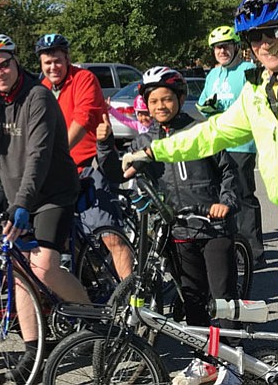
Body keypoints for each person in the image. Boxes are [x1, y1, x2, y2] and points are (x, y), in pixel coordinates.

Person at [122, 0, 278, 366]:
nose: (266, 44)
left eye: (276, 32)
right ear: (247, 45)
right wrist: (154, 150)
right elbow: (210, 134)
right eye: (256, 37)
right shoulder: (256, 93)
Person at [0, 33, 89, 383]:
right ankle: (33, 352)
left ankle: (92, 320)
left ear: (15, 61)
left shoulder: (37, 96)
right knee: (20, 273)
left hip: (53, 193)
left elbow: (38, 156)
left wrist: (22, 203)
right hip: (20, 196)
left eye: (4, 65)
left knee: (42, 269)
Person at [99, 66, 241, 384]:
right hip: (177, 230)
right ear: (147, 105)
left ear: (179, 98)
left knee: (221, 298)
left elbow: (230, 172)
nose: (160, 106)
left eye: (167, 99)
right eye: (154, 101)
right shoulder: (146, 141)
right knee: (192, 298)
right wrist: (105, 144)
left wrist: (226, 202)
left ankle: (230, 364)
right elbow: (117, 174)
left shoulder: (201, 130)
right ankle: (205, 360)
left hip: (213, 226)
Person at [35, 33, 133, 280]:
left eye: (57, 61)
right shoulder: (43, 88)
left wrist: (55, 155)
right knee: (66, 240)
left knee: (109, 236)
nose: (53, 67)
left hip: (90, 166)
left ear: (67, 59)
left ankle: (134, 302)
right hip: (62, 173)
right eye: (47, 62)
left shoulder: (83, 79)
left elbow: (82, 119)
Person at [197, 26, 264, 268]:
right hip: (217, 141)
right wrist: (208, 107)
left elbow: (257, 102)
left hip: (242, 143)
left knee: (243, 195)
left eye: (226, 45)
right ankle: (234, 247)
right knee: (222, 196)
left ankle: (254, 253)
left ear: (236, 47)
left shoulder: (248, 70)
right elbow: (203, 104)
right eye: (217, 47)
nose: (221, 50)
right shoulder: (213, 75)